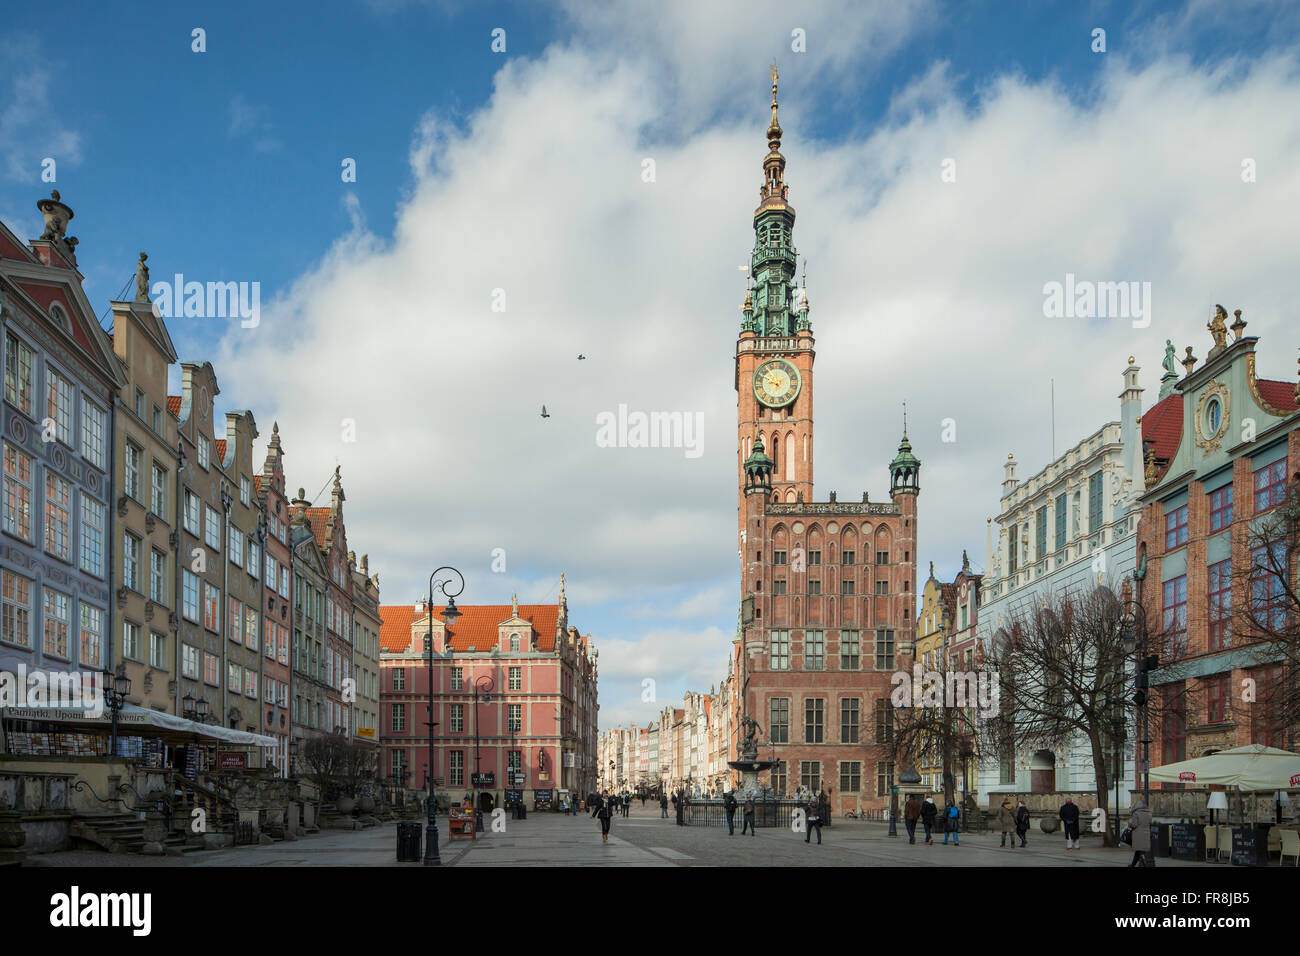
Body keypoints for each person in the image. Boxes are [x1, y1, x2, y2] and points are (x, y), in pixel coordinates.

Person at [1127, 798, 1153, 867]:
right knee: (1139, 851)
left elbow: (1134, 824)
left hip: (1138, 835)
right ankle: (1133, 864)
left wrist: (1129, 822)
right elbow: (1150, 822)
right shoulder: (1149, 813)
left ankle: (1143, 862)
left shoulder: (1136, 813)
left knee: (1139, 851)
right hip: (1146, 834)